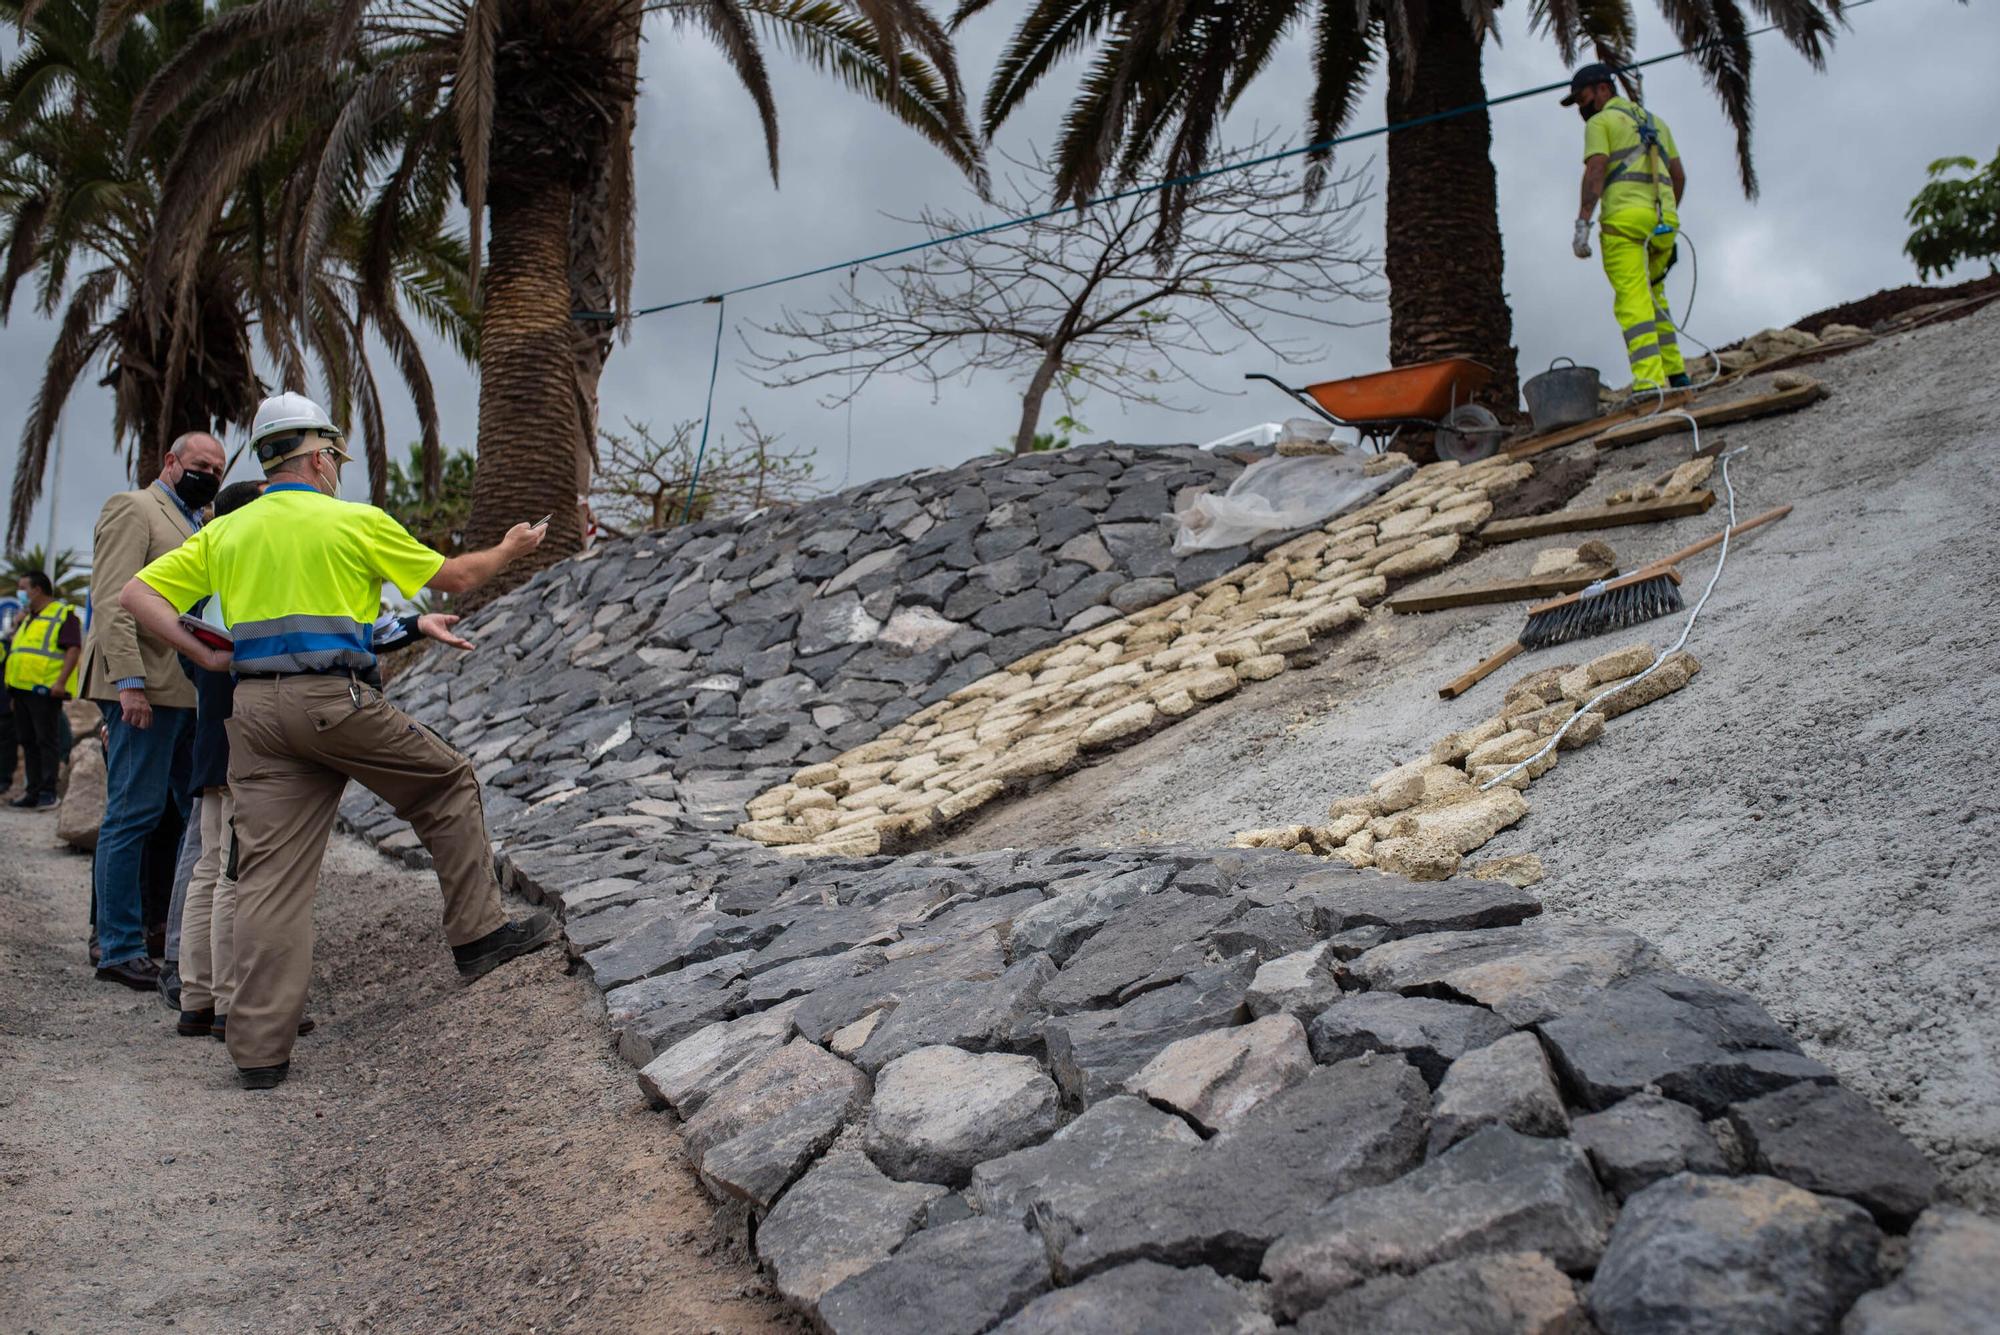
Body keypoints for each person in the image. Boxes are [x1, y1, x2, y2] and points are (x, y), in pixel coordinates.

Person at [122, 392, 556, 1089]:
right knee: (446, 781)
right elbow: (459, 576)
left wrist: (206, 655)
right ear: (320, 456)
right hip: (336, 699)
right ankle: (479, 936)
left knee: (266, 875)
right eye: (333, 458)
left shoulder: (227, 531)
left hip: (254, 713)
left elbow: (136, 596)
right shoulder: (352, 521)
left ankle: (259, 1054)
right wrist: (511, 546)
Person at [172, 478, 481, 1044]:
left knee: (215, 869)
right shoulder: (253, 576)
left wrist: (412, 625)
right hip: (252, 737)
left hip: (225, 736)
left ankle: (206, 1003)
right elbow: (327, 639)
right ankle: (229, 1004)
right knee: (239, 876)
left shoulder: (210, 586)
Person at [81, 432, 226, 990]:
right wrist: (129, 683)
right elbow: (115, 596)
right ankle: (116, 945)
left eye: (216, 467)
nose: (208, 474)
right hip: (143, 687)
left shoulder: (199, 521)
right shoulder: (135, 508)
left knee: (177, 818)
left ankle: (153, 930)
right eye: (198, 465)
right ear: (170, 463)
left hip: (182, 689)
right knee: (132, 813)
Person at [1564, 63, 1691, 395]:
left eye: (1582, 97)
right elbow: (1678, 177)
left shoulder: (1602, 122)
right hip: (1663, 223)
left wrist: (1583, 223)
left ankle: (1649, 383)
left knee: (1633, 300)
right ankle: (1677, 374)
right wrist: (1665, 215)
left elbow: (1596, 169)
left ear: (1604, 89)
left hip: (1624, 222)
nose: (1581, 106)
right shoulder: (1656, 123)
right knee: (1657, 297)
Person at [5, 569, 82, 808]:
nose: (21, 593)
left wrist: (59, 682)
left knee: (46, 741)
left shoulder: (62, 614)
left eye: (23, 588)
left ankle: (48, 792)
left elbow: (73, 649)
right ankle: (33, 791)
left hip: (45, 690)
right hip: (21, 689)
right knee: (27, 741)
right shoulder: (29, 616)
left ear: (37, 589)